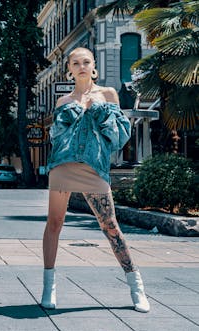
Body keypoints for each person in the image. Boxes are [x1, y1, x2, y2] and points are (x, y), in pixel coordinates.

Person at [41, 47, 150, 313]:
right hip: (63, 166)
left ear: (94, 66)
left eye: (86, 62)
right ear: (69, 69)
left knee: (110, 225)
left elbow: (120, 137)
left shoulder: (108, 94)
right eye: (75, 63)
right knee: (54, 223)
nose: (81, 66)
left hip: (94, 168)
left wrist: (100, 115)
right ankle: (48, 287)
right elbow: (56, 138)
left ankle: (137, 287)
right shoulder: (63, 101)